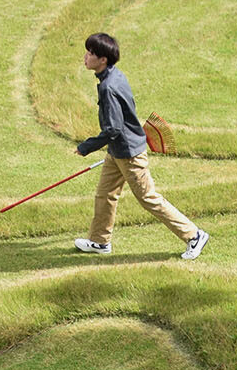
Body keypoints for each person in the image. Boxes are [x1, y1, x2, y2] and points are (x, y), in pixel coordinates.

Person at [72, 32, 210, 260]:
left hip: (129, 154)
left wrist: (86, 147)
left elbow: (114, 129)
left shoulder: (108, 87)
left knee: (149, 198)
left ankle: (194, 235)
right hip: (118, 151)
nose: (85, 56)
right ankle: (99, 241)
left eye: (90, 53)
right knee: (105, 195)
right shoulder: (115, 75)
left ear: (103, 59)